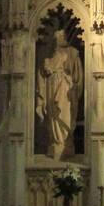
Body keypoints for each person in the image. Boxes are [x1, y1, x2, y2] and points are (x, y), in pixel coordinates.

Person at [36, 29, 83, 160]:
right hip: (51, 87)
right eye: (57, 37)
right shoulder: (47, 56)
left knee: (64, 113)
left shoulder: (72, 53)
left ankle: (65, 141)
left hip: (65, 88)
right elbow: (41, 76)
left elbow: (77, 76)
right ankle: (56, 142)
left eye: (62, 36)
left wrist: (72, 85)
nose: (60, 39)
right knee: (53, 114)